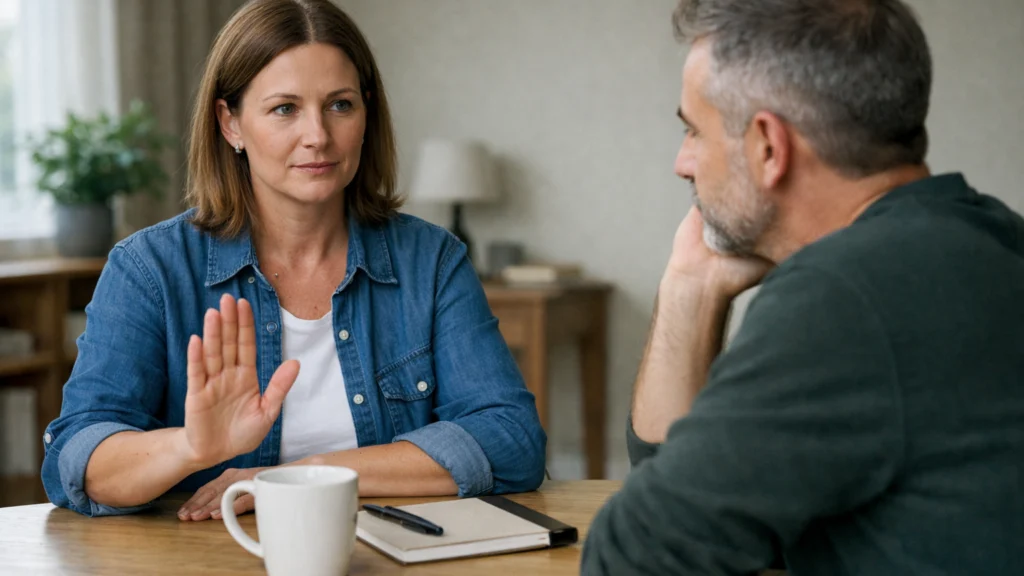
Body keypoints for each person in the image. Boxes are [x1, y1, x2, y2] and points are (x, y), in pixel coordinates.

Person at [41, 0, 546, 520]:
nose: (318, 136)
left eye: (340, 105)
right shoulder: (149, 269)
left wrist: (303, 476)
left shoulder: (432, 260)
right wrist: (189, 446)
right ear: (231, 124)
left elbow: (511, 440)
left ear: (366, 114)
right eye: (285, 108)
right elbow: (76, 460)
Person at [582, 0, 1024, 574]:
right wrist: (693, 284)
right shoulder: (994, 236)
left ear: (769, 146)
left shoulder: (846, 297)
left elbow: (636, 556)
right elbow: (689, 500)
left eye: (693, 129)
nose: (682, 162)